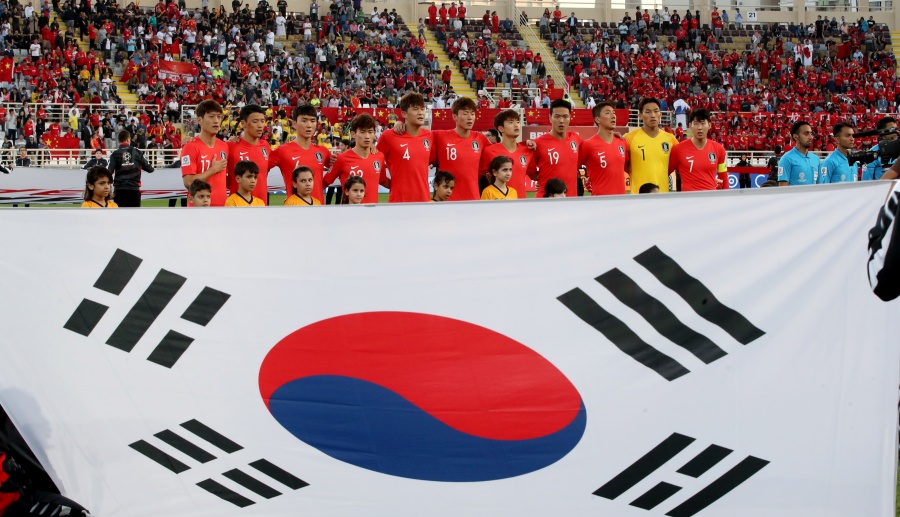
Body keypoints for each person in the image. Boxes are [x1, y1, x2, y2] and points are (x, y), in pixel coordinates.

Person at [427, 97, 490, 201]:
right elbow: (416, 138)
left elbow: (496, 157)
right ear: (454, 116)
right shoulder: (439, 136)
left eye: (472, 114)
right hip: (447, 200)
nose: (470, 118)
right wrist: (401, 124)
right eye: (465, 114)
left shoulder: (481, 139)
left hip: (472, 199)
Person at [268, 104, 332, 203]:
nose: (309, 125)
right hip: (294, 208)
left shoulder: (323, 151)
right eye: (304, 120)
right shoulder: (282, 151)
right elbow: (259, 168)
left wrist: (323, 184)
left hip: (318, 209)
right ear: (294, 123)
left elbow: (339, 168)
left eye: (312, 121)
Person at [377, 92, 434, 202]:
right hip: (399, 201)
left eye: (422, 109)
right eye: (415, 109)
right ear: (404, 114)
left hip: (424, 201)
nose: (420, 113)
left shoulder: (429, 136)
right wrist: (387, 182)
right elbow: (372, 162)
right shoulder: (388, 136)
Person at [325, 113, 385, 204]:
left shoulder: (379, 157)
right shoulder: (341, 158)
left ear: (374, 133)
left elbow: (384, 181)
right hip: (349, 212)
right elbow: (324, 182)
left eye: (370, 132)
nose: (367, 136)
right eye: (362, 132)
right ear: (353, 134)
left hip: (372, 212)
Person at [527, 99, 582, 197]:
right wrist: (542, 179)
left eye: (565, 116)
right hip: (547, 200)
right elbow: (530, 172)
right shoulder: (537, 143)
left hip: (570, 199)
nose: (561, 121)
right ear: (550, 118)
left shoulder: (575, 138)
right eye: (557, 116)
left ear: (570, 118)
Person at [181, 100, 229, 206]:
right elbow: (188, 182)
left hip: (221, 209)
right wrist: (213, 170)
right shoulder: (190, 147)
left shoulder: (224, 146)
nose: (216, 121)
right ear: (199, 120)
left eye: (219, 117)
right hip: (198, 211)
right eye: (211, 116)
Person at [625, 97, 677, 193]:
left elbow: (673, 167)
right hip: (638, 197)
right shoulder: (629, 138)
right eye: (648, 112)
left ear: (660, 114)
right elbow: (624, 165)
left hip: (662, 195)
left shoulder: (671, 139)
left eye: (656, 111)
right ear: (640, 116)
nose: (653, 115)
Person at [668, 109, 728, 191]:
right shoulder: (678, 149)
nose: (699, 128)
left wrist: (727, 197)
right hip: (688, 198)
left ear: (709, 125)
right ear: (690, 126)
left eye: (703, 123)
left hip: (710, 197)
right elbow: (665, 173)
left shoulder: (719, 149)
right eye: (696, 123)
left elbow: (724, 177)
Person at [479, 109, 533, 199]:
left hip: (521, 203)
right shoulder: (489, 151)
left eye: (518, 122)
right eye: (511, 122)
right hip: (497, 203)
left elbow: (535, 176)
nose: (516, 125)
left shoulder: (527, 151)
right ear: (501, 128)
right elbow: (478, 175)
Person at [578, 101, 629, 196]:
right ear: (597, 119)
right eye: (608, 113)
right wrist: (583, 183)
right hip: (599, 201)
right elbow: (572, 168)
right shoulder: (588, 145)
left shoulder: (622, 143)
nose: (613, 116)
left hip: (621, 201)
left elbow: (629, 168)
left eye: (614, 113)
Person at [227, 104, 272, 204]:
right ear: (243, 123)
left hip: (261, 206)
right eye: (255, 121)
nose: (260, 125)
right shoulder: (230, 146)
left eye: (262, 121)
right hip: (238, 206)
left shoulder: (265, 146)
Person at [107, 130, 154, 207]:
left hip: (119, 189)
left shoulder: (114, 154)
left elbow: (109, 172)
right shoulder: (137, 152)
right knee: (134, 214)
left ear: (119, 140)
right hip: (133, 189)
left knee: (120, 213)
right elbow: (150, 169)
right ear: (128, 139)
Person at [778, 121, 822, 186]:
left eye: (811, 134)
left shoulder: (816, 159)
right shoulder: (786, 159)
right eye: (806, 134)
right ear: (796, 136)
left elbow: (820, 186)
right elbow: (783, 189)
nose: (810, 137)